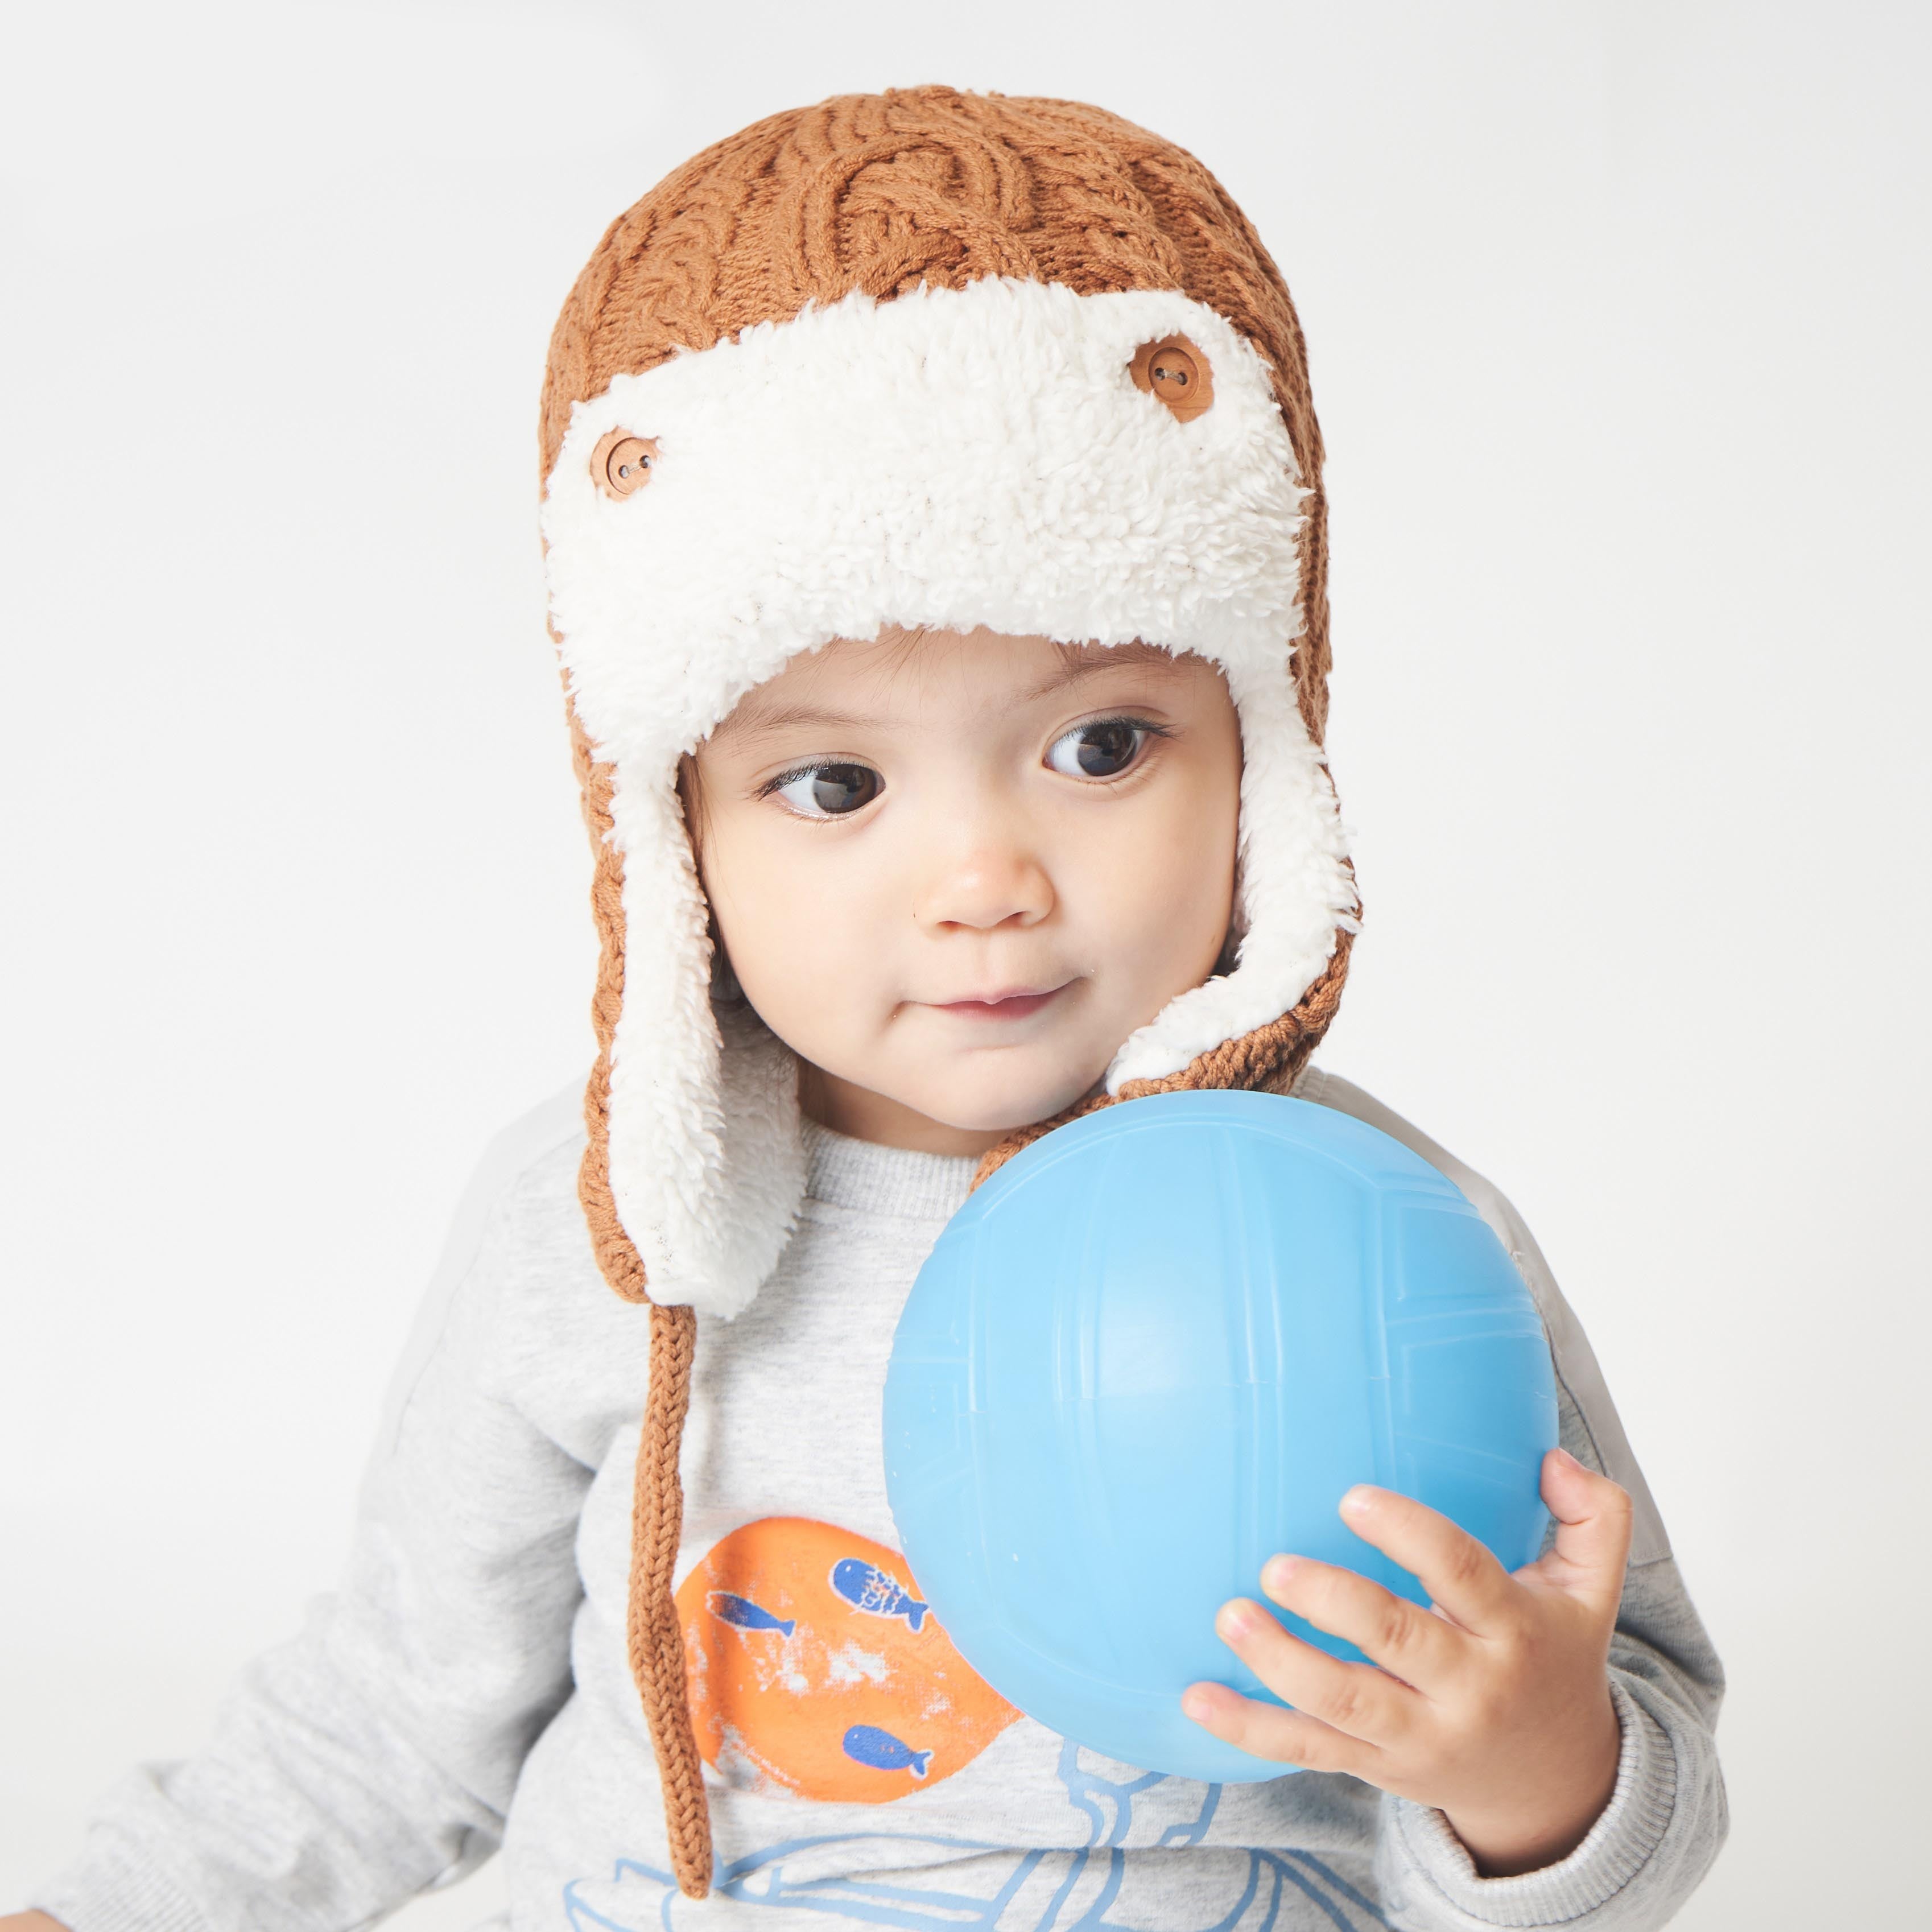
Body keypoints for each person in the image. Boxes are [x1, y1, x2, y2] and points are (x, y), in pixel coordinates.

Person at [8, 87, 1726, 1932]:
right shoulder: (595, 1226)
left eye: (1101, 744)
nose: (982, 876)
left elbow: (1641, 1749)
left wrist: (1529, 1767)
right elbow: (385, 1722)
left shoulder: (1394, 1246)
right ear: (668, 836)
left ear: (1262, 750)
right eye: (833, 785)